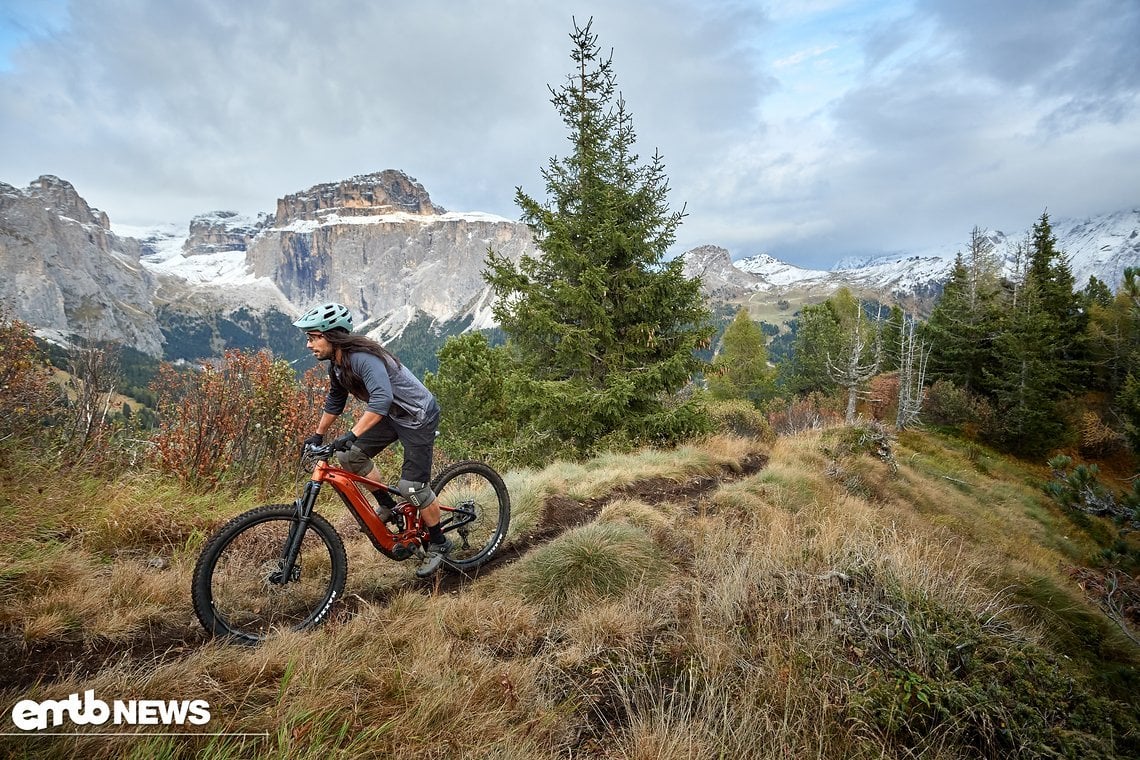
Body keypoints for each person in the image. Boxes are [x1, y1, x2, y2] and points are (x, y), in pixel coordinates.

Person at [293, 301, 451, 577]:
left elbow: (381, 399)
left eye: (313, 337)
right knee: (349, 455)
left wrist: (351, 433)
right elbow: (335, 400)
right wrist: (317, 435)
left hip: (416, 416)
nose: (309, 344)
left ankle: (439, 542)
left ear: (332, 335)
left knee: (412, 487)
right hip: (391, 415)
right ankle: (388, 507)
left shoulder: (363, 359)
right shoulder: (338, 364)